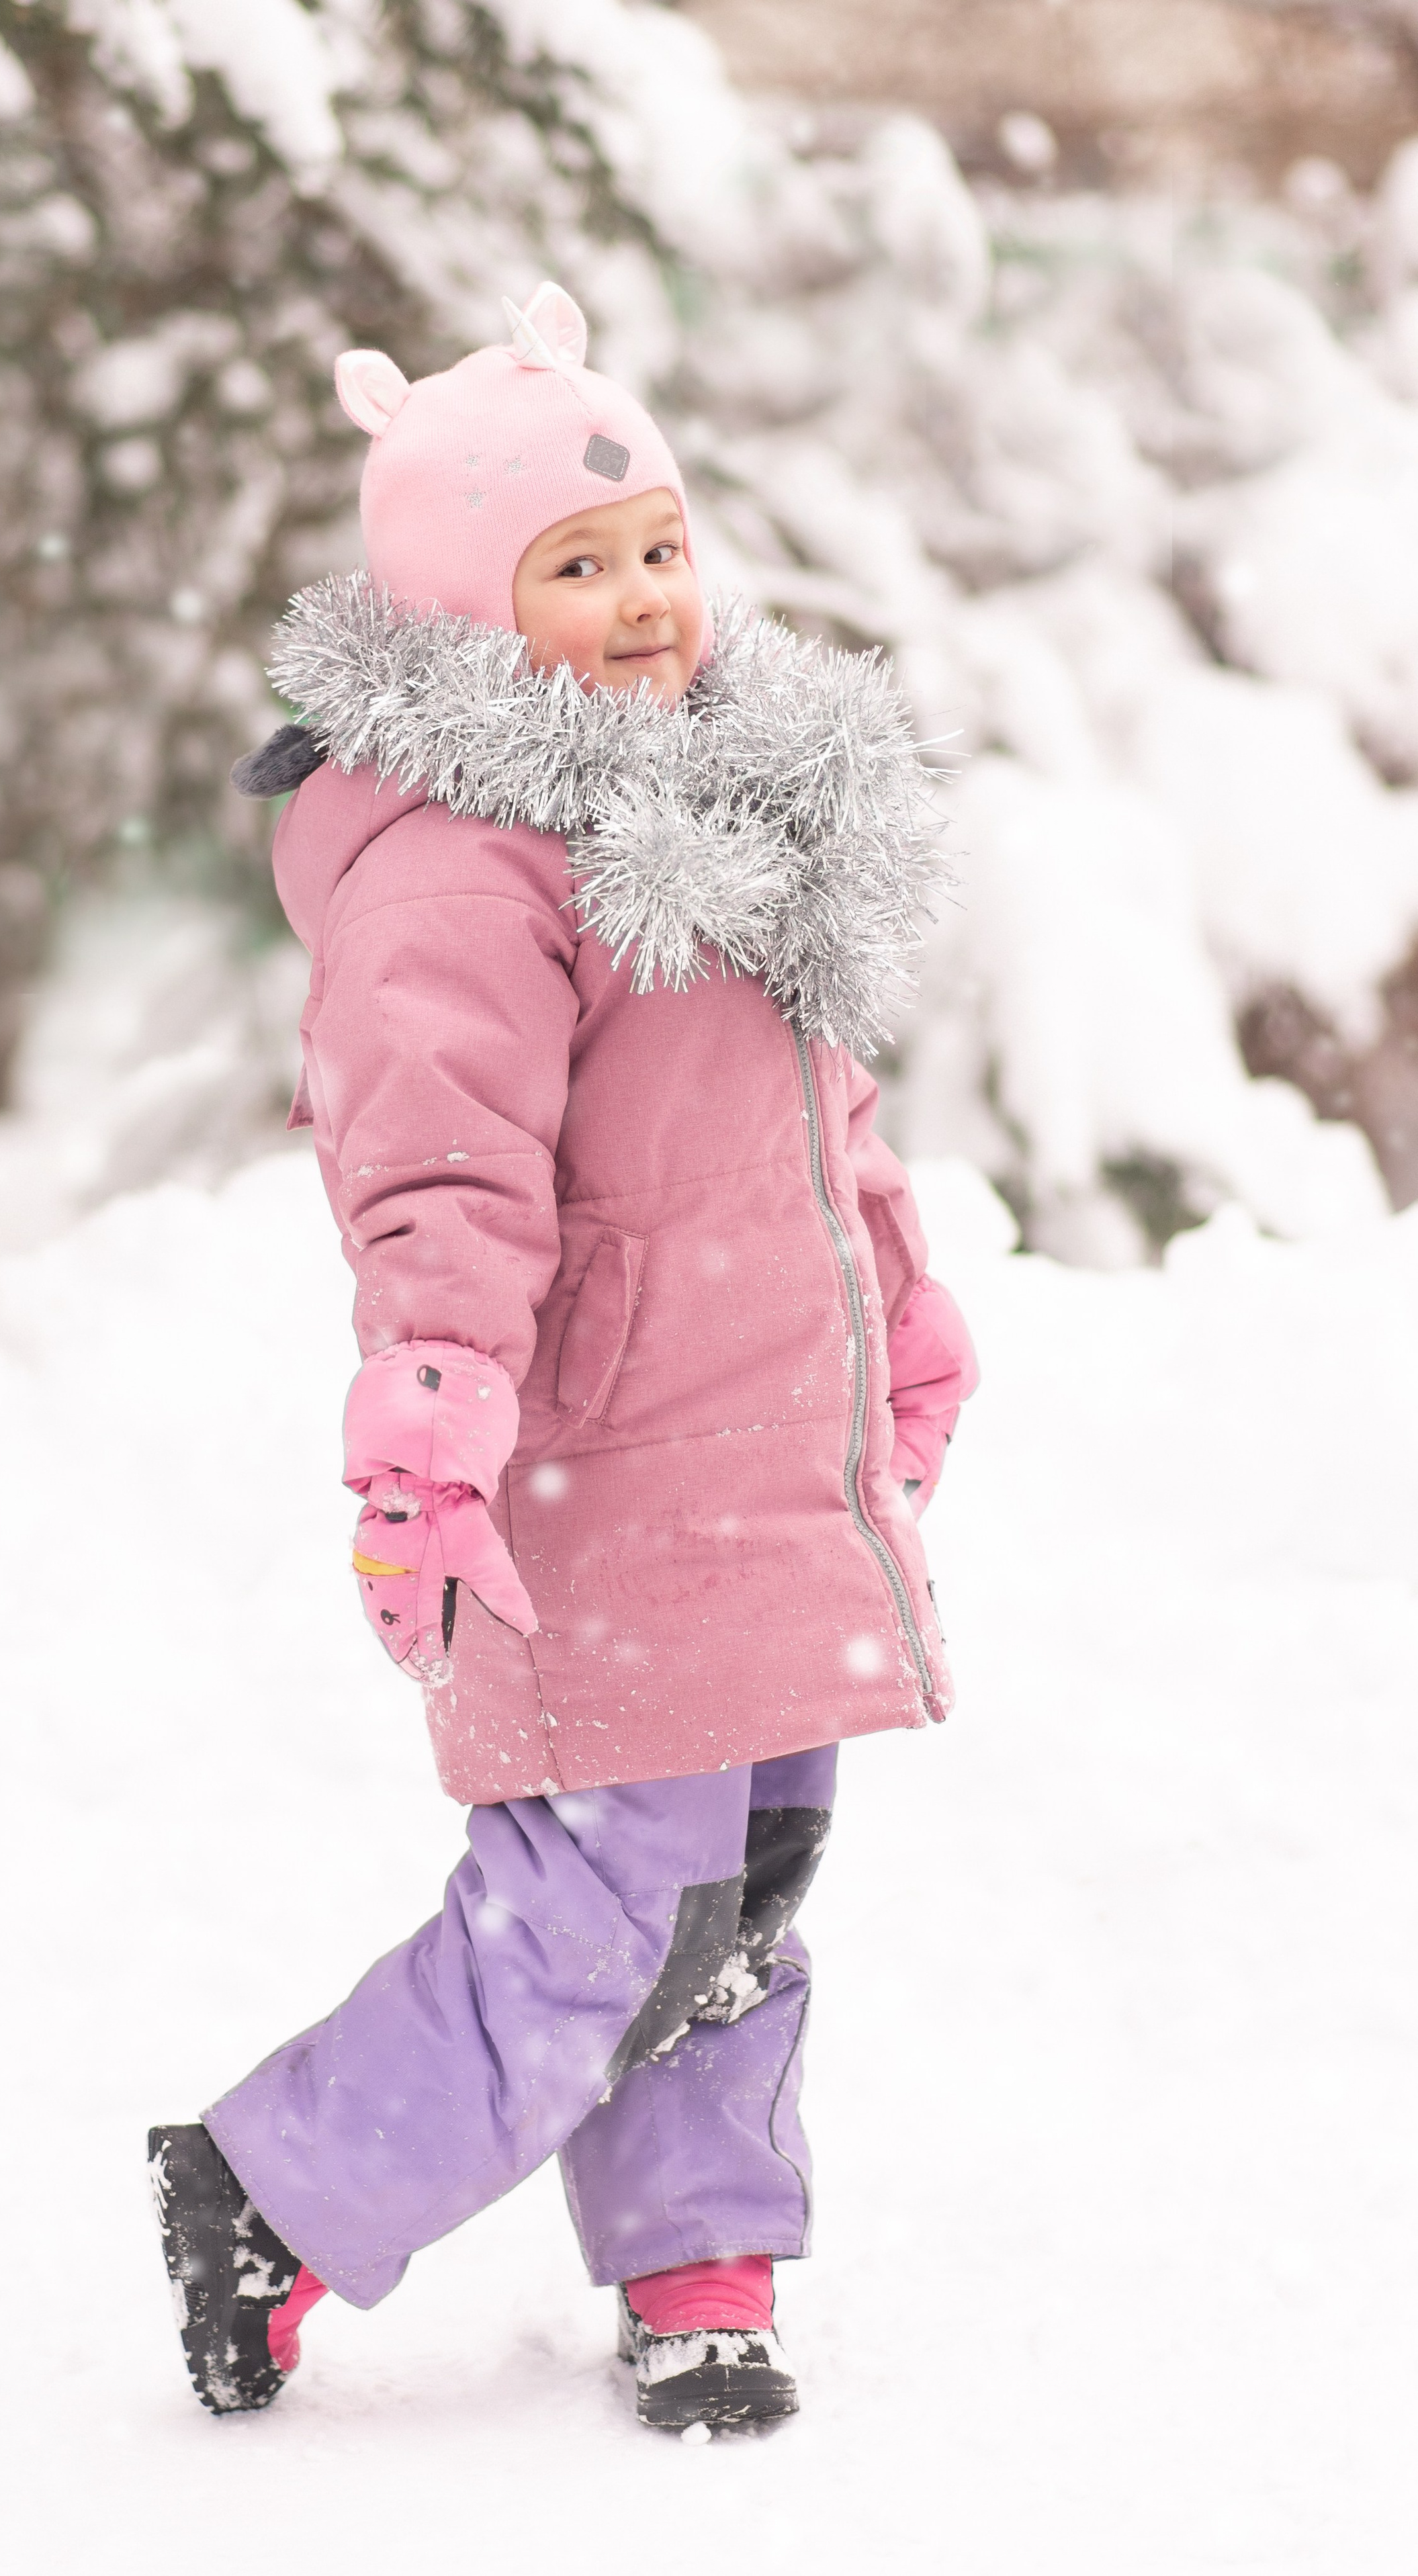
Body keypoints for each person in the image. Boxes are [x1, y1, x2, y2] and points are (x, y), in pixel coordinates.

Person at [149, 283, 978, 2436]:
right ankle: (272, 2183)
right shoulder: (460, 872)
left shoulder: (716, 809)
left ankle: (702, 2259)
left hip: (755, 1459)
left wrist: (906, 1301)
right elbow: (435, 1180)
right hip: (589, 1471)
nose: (636, 600)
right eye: (576, 567)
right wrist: (426, 1424)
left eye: (658, 550)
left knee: (736, 1895)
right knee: (605, 1906)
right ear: (465, 603)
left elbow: (822, 1118)